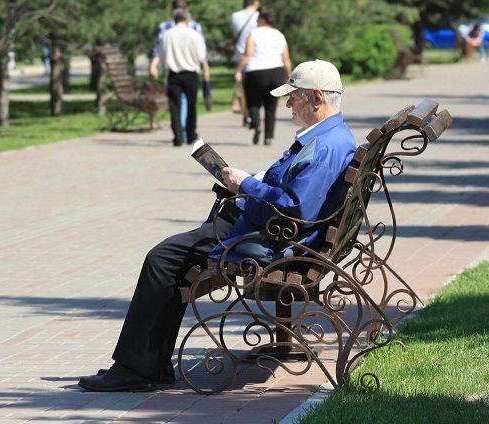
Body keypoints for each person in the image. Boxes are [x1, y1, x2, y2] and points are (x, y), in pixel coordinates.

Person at [77, 59, 356, 392]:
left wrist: (247, 186)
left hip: (265, 238)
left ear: (315, 98)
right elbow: (296, 197)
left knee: (161, 259)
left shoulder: (324, 146)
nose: (287, 104)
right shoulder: (331, 136)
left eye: (293, 97)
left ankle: (138, 368)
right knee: (173, 260)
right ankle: (147, 365)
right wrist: (246, 183)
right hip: (263, 228)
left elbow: (295, 210)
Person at [150, 0, 209, 141]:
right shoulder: (194, 34)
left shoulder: (167, 34)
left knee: (174, 105)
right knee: (191, 104)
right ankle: (190, 134)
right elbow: (201, 56)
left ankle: (177, 135)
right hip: (190, 73)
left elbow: (161, 54)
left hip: (173, 73)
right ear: (187, 19)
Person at [235, 6, 291, 146]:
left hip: (256, 72)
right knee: (271, 106)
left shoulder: (254, 34)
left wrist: (239, 70)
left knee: (253, 102)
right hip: (276, 71)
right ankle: (269, 137)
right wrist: (288, 75)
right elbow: (285, 58)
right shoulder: (279, 35)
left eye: (258, 19)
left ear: (262, 19)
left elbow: (248, 54)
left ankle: (256, 125)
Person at [230, 0, 260, 127]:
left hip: (240, 56)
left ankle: (246, 116)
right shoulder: (259, 16)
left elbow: (234, 34)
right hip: (257, 57)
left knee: (243, 89)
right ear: (256, 2)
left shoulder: (235, 16)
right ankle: (254, 115)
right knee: (255, 89)